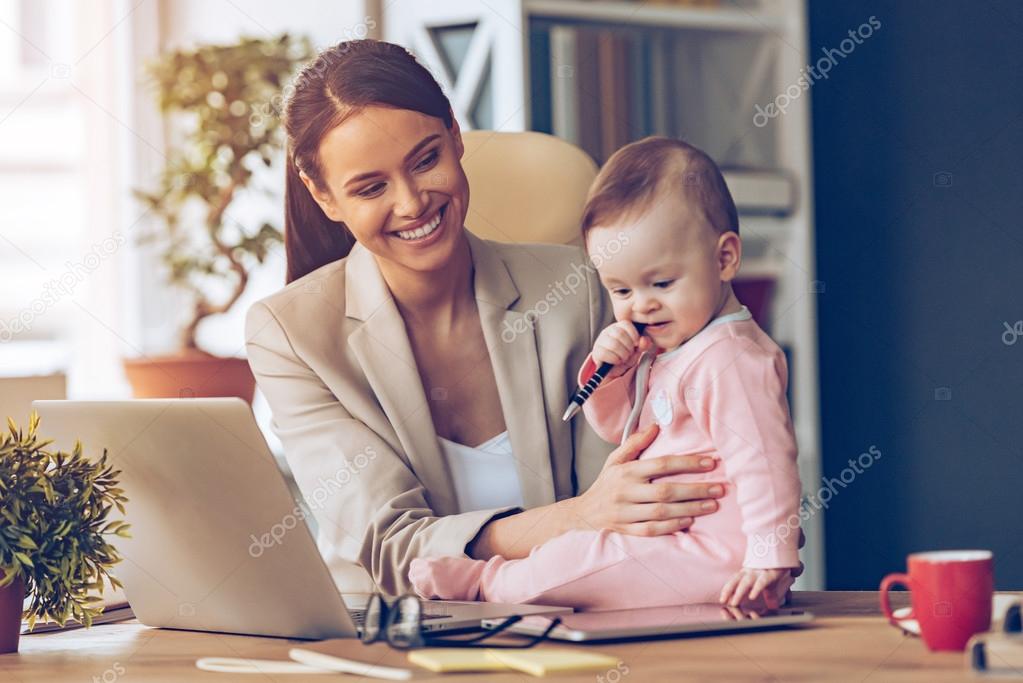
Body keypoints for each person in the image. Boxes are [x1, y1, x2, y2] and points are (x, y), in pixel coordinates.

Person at [244, 40, 738, 596]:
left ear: (455, 136)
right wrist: (577, 515)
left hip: (577, 615)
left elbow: (632, 498)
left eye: (426, 159)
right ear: (325, 196)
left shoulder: (582, 290)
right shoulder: (291, 334)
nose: (411, 203)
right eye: (371, 187)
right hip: (389, 641)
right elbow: (394, 546)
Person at [409, 138, 802, 609]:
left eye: (661, 283)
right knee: (578, 552)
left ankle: (485, 585)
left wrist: (769, 556)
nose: (641, 304)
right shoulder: (673, 350)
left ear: (724, 259)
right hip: (664, 537)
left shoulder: (730, 359)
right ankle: (497, 577)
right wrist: (613, 376)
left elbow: (766, 462)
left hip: (710, 553)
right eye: (620, 290)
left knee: (582, 565)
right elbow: (618, 428)